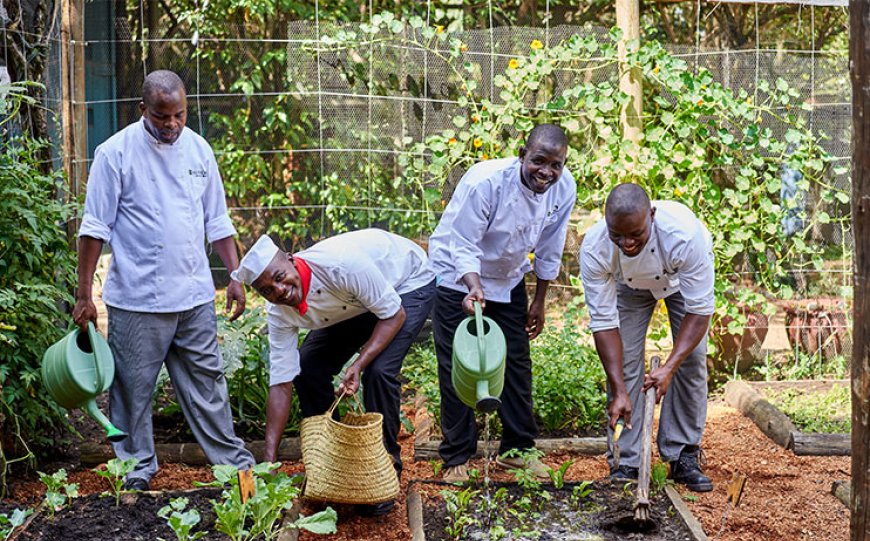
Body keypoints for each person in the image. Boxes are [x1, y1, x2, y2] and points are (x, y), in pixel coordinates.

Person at [72, 70, 255, 490]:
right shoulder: (114, 154)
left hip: (193, 297)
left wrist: (235, 275)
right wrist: (85, 294)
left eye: (179, 115)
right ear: (143, 110)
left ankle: (235, 468)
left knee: (208, 386)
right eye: (161, 116)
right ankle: (135, 470)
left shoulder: (199, 150)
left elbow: (218, 221)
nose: (172, 124)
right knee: (132, 393)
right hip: (138, 300)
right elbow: (94, 228)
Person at [232, 228, 436, 515]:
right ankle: (332, 464)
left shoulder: (339, 264)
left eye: (279, 277)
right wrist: (269, 459)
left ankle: (385, 469)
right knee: (308, 369)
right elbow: (281, 383)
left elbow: (393, 314)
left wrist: (357, 364)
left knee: (378, 371)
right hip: (358, 301)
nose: (278, 291)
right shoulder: (278, 312)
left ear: (291, 260)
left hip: (406, 284)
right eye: (267, 290)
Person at [427, 124, 577, 483]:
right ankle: (456, 457)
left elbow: (550, 247)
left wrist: (540, 299)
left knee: (516, 362)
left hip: (508, 279)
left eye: (556, 164)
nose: (547, 172)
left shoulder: (563, 188)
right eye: (539, 161)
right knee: (459, 364)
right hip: (456, 275)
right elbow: (462, 243)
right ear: (522, 155)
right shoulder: (486, 182)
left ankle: (517, 451)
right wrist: (473, 286)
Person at [579, 183, 715, 492]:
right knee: (624, 366)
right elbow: (603, 323)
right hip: (628, 286)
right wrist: (618, 390)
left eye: (635, 235)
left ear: (651, 216)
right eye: (618, 235)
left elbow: (700, 310)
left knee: (691, 363)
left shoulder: (684, 236)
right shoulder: (595, 247)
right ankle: (627, 459)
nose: (626, 243)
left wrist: (669, 367)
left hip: (680, 280)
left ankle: (683, 454)